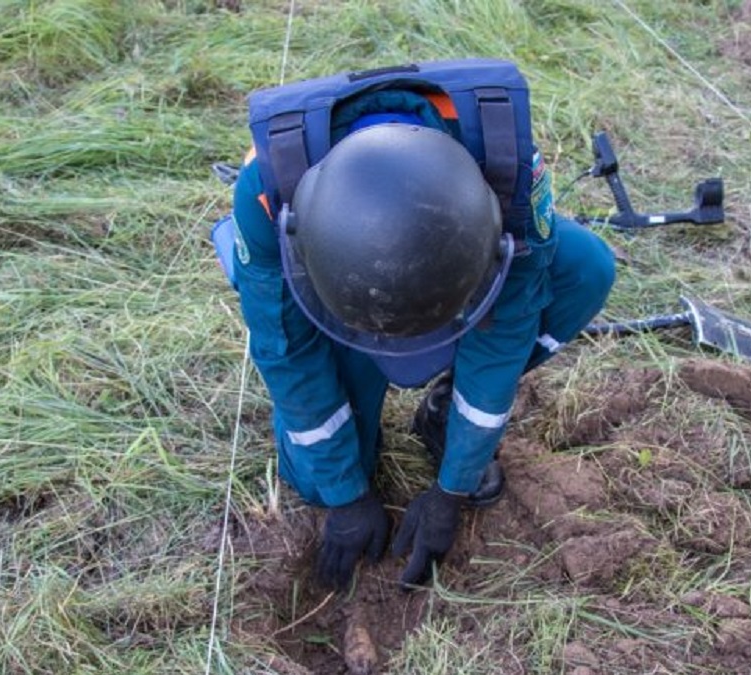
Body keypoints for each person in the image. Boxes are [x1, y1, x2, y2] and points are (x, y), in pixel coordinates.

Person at [212, 59, 615, 590]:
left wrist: (454, 486)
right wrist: (345, 495)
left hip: (447, 276)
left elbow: (504, 334)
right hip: (338, 301)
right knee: (312, 479)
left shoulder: (508, 168)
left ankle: (442, 411)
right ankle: (350, 402)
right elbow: (287, 352)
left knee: (585, 268)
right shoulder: (267, 192)